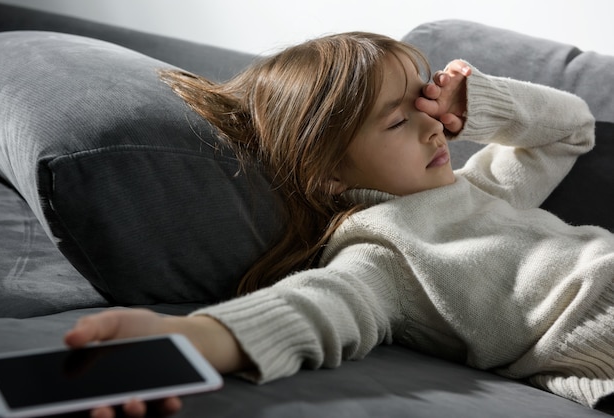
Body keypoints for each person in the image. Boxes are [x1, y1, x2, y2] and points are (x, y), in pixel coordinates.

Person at [63, 31, 613, 418]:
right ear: (326, 173)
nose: (432, 127)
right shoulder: (386, 251)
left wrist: (477, 103)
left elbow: (571, 129)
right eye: (398, 119)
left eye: (425, 100)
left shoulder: (484, 185)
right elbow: (316, 304)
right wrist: (190, 339)